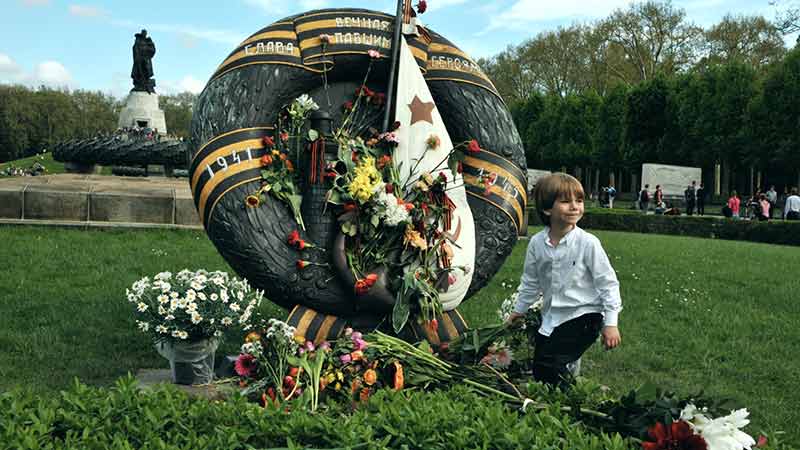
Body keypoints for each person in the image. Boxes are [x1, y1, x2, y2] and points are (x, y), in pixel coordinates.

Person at [507, 173, 622, 388]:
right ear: (547, 209)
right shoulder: (537, 244)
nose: (575, 207)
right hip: (552, 317)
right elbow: (531, 282)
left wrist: (611, 323)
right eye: (566, 201)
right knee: (541, 367)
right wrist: (519, 311)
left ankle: (574, 401)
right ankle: (567, 394)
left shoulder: (588, 243)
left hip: (584, 315)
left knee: (548, 364)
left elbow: (608, 283)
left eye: (579, 201)